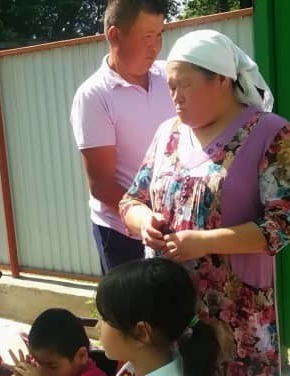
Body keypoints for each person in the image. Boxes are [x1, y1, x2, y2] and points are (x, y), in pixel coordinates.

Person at [119, 30, 290, 376]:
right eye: (170, 87)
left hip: (236, 309)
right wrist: (144, 223)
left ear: (222, 80)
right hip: (168, 305)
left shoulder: (269, 133)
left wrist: (203, 242)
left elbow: (288, 221)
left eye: (184, 85)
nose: (175, 97)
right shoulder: (167, 135)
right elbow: (132, 199)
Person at [70, 0, 174, 274]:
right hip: (121, 233)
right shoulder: (94, 96)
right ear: (115, 35)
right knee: (133, 302)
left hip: (172, 226)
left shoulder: (171, 76)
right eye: (147, 37)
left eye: (160, 35)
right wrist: (146, 218)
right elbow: (102, 185)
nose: (156, 46)